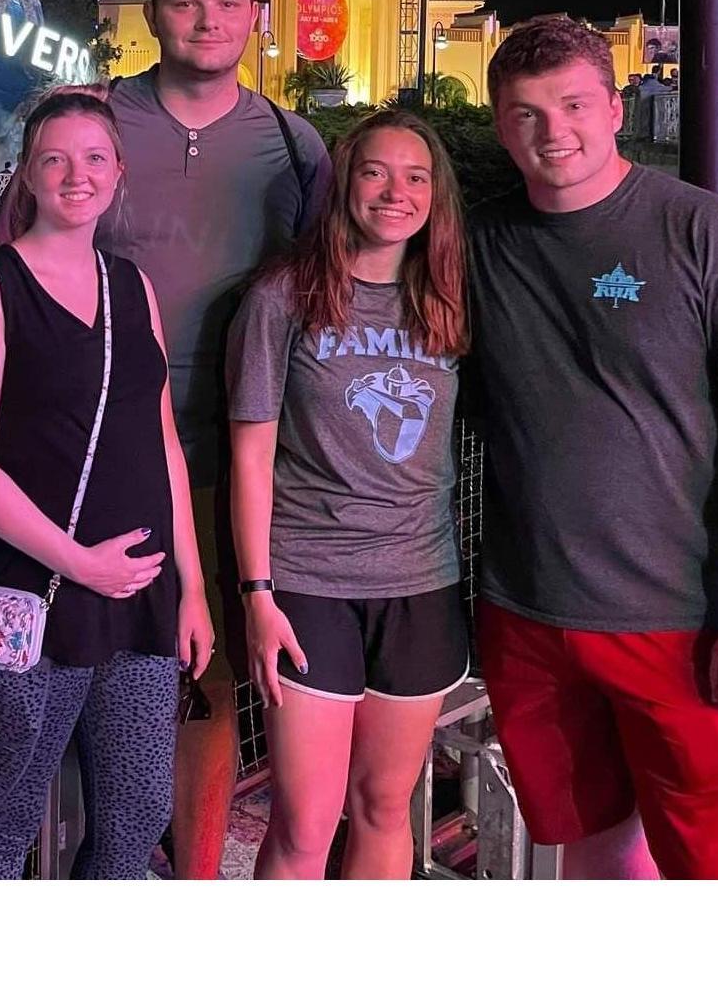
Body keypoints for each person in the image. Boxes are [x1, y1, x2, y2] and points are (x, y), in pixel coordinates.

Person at [467, 15, 718, 880]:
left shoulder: (705, 232)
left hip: (680, 619)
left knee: (707, 870)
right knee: (586, 851)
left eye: (574, 104)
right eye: (525, 114)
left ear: (614, 107)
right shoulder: (473, 243)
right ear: (498, 123)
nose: (553, 132)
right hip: (526, 613)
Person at [0, 92, 211, 876]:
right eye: (54, 157)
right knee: (5, 817)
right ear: (27, 173)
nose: (74, 174)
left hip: (138, 594)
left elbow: (161, 441)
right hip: (31, 594)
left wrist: (191, 587)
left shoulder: (133, 287)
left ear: (118, 173)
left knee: (137, 810)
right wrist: (76, 560)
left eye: (93, 157)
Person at [101, 0, 330, 879]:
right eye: (188, 1)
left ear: (254, 17)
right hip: (103, 451)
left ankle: (192, 875)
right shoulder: (93, 120)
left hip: (236, 457)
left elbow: (339, 284)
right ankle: (105, 856)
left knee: (211, 679)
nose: (208, 19)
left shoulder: (290, 143)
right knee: (104, 672)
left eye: (228, 2)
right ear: (155, 12)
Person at [226, 110, 470, 879]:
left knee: (383, 806)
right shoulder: (282, 295)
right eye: (375, 171)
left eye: (415, 176)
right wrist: (256, 591)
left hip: (421, 581)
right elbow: (251, 453)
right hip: (309, 580)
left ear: (435, 194)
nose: (394, 191)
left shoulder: (450, 299)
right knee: (302, 822)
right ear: (344, 181)